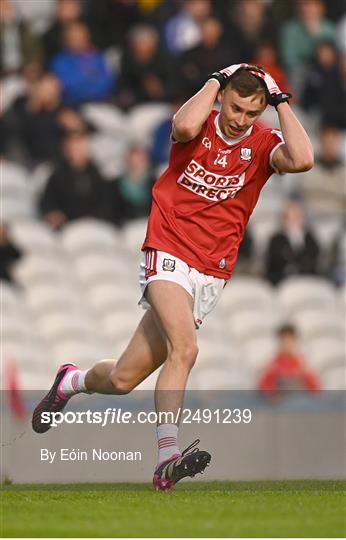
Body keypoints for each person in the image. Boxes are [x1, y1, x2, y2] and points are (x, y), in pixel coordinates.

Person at [32, 63, 314, 491]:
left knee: (125, 379)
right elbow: (182, 124)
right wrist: (216, 80)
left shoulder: (264, 143)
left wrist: (279, 103)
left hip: (211, 269)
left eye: (251, 113)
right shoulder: (198, 124)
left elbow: (304, 159)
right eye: (235, 108)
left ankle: (69, 382)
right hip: (168, 248)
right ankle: (167, 456)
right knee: (186, 347)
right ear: (222, 98)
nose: (240, 119)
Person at [39, 131, 112, 229]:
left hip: (93, 225)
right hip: (65, 226)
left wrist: (95, 217)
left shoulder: (99, 175)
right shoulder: (57, 175)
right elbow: (47, 201)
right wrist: (53, 213)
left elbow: (106, 203)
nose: (75, 152)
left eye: (79, 147)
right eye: (72, 148)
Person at [265, 200, 320, 285]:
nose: (293, 221)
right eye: (289, 217)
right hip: (281, 281)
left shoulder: (310, 239)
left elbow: (313, 260)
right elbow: (273, 263)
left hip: (306, 280)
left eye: (297, 217)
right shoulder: (276, 240)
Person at [258, 324, 321, 396]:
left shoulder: (302, 365)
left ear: (295, 342)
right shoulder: (272, 365)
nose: (287, 344)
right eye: (283, 341)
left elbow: (315, 388)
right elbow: (264, 386)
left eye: (290, 341)